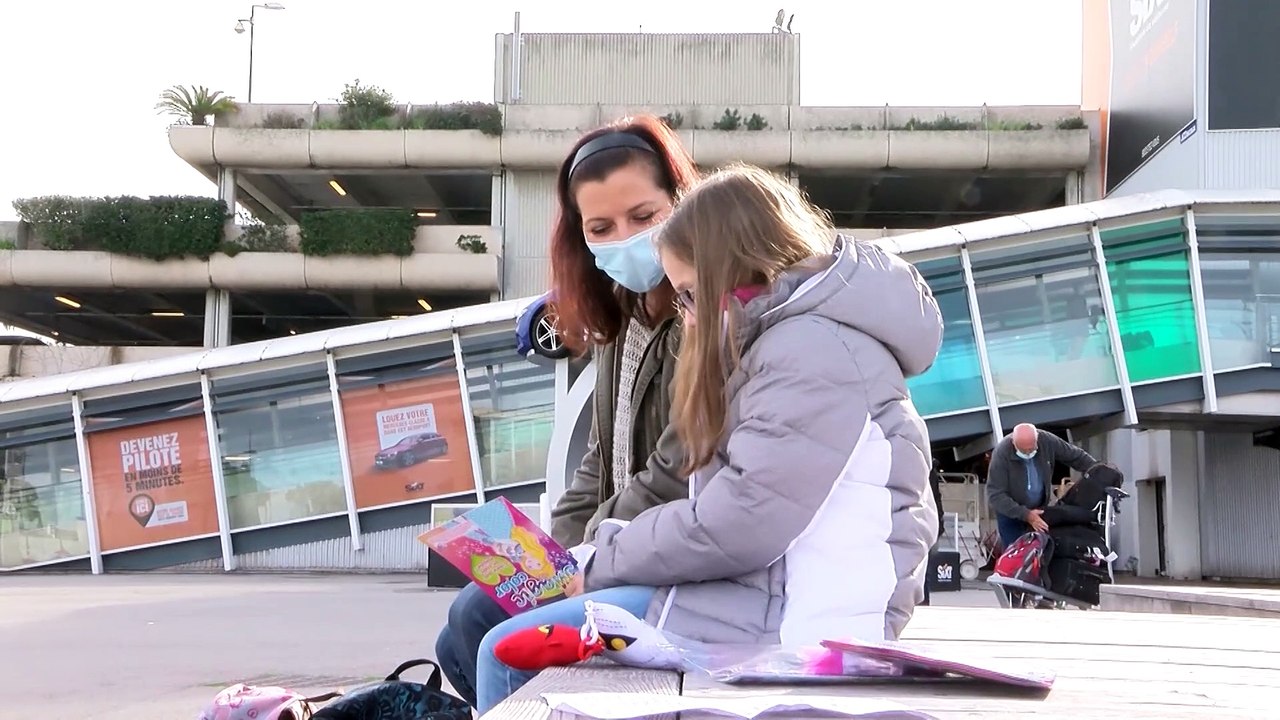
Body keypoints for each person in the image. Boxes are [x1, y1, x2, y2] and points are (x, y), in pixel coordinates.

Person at [473, 164, 943, 713]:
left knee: (505, 651)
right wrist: (601, 551)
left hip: (809, 618)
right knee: (509, 635)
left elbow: (742, 521)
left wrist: (600, 561)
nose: (688, 320)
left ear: (736, 272)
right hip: (772, 595)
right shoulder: (791, 340)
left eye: (691, 296)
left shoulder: (811, 352)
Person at [432, 114, 700, 709]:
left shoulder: (701, 319)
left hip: (670, 563)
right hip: (617, 547)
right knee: (456, 635)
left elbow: (675, 473)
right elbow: (603, 457)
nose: (625, 238)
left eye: (644, 217)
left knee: (482, 627)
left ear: (682, 203)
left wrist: (582, 557)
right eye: (601, 227)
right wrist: (549, 555)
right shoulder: (623, 315)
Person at [986, 422, 1098, 549]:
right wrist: (1026, 515)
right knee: (1016, 552)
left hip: (1039, 509)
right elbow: (995, 495)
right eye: (1023, 451)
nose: (1028, 453)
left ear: (1037, 439)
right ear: (1013, 442)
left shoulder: (1047, 441)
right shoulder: (1001, 453)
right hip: (1011, 513)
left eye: (1031, 449)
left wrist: (1099, 470)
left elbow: (1076, 456)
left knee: (1043, 550)